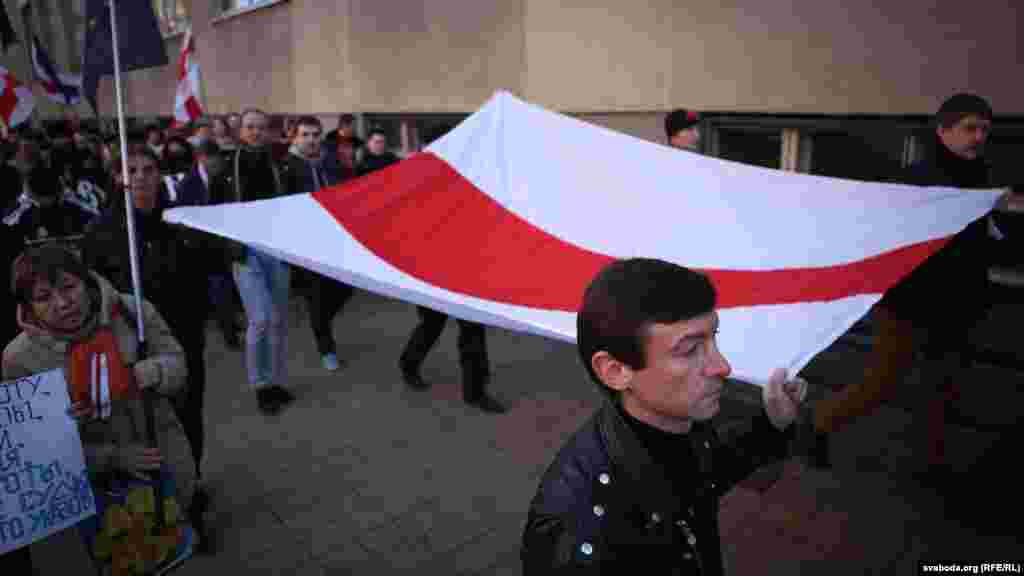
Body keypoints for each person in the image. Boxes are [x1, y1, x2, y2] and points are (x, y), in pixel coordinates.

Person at [521, 258, 805, 574]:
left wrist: (770, 425)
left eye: (713, 338)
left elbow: (706, 469)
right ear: (615, 371)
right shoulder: (578, 533)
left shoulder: (674, 425)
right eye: (689, 350)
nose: (722, 366)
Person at [811, 93, 1001, 476]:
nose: (979, 137)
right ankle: (817, 427)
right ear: (943, 130)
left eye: (984, 130)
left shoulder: (981, 178)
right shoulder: (916, 181)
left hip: (958, 303)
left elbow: (977, 239)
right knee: (881, 382)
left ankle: (933, 465)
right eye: (970, 128)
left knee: (944, 389)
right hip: (908, 304)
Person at [2, 244, 198, 569]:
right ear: (28, 306)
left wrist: (148, 372)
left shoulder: (133, 313)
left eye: (69, 287)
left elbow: (179, 367)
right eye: (43, 297)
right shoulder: (17, 358)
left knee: (168, 554)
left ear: (86, 281)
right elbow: (31, 450)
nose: (62, 303)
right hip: (93, 498)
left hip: (162, 465)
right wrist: (74, 432)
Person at [82, 142, 213, 550]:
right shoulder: (103, 229)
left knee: (188, 415)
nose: (140, 177)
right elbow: (94, 289)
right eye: (131, 170)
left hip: (181, 336)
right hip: (130, 343)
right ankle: (156, 502)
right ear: (118, 177)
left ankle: (191, 491)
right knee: (146, 425)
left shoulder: (177, 220)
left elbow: (203, 271)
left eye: (148, 169)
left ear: (160, 175)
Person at [226, 108, 295, 415]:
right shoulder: (228, 166)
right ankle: (260, 385)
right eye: (250, 127)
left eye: (261, 127)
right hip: (245, 250)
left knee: (278, 320)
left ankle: (276, 381)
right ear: (241, 131)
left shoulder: (279, 163)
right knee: (261, 319)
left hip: (276, 247)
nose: (256, 132)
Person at [284, 116, 356, 371]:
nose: (311, 140)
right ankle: (326, 348)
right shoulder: (287, 166)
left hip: (335, 238)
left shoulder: (331, 162)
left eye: (315, 134)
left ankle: (321, 321)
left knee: (346, 286)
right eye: (305, 135)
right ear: (295, 137)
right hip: (305, 243)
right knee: (316, 297)